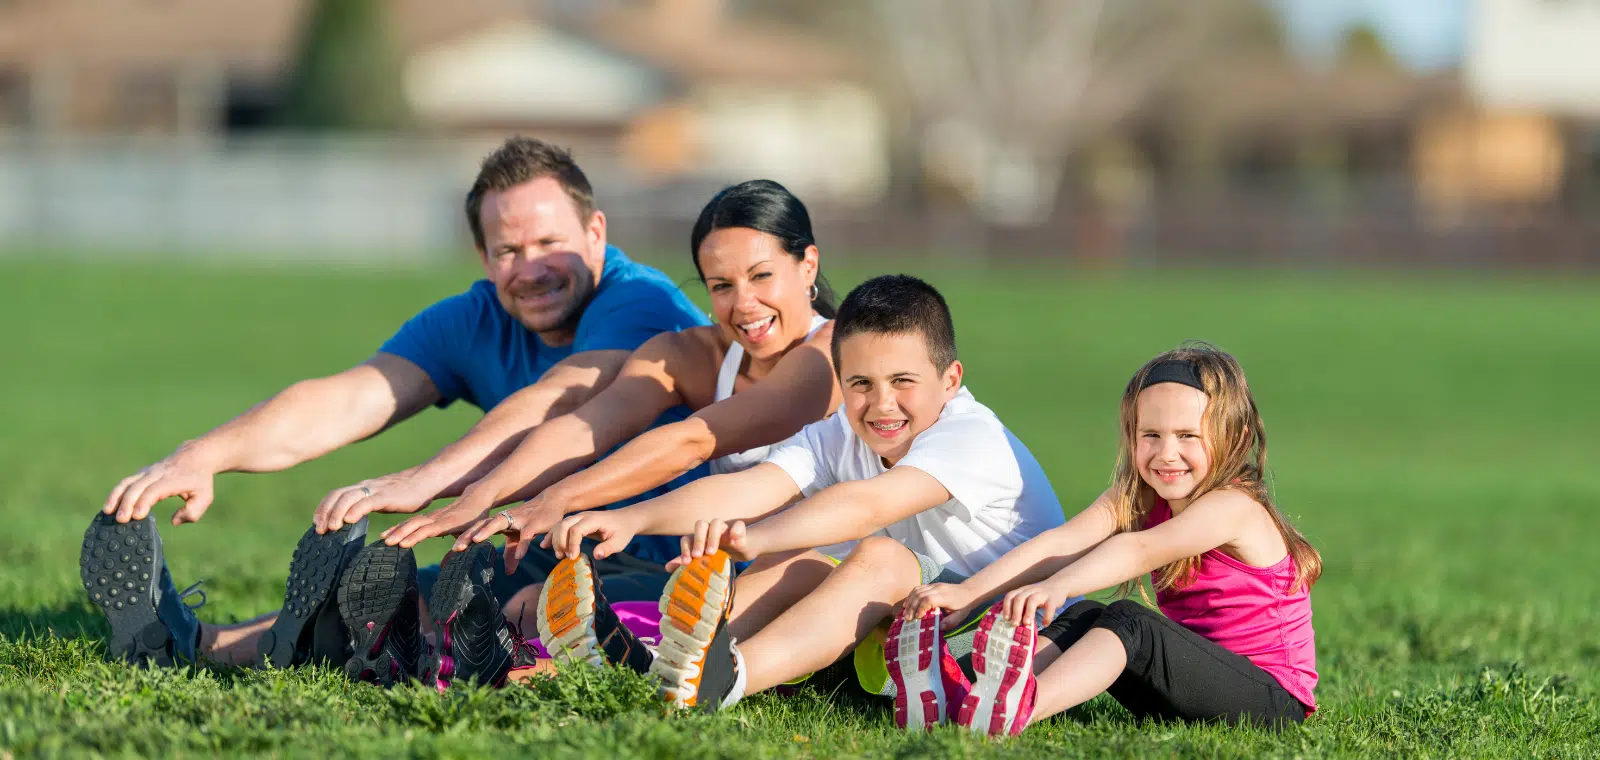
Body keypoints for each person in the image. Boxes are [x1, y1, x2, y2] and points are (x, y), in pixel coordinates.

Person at [81, 137, 708, 675]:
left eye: (549, 243)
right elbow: (349, 397)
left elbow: (560, 401)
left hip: (665, 551)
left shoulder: (642, 306)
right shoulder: (476, 318)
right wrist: (204, 455)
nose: (532, 269)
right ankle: (187, 644)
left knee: (502, 616)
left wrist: (424, 481)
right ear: (484, 257)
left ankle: (402, 642)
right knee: (390, 601)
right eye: (508, 251)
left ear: (596, 233)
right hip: (544, 542)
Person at [332, 179, 850, 689]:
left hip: (822, 581)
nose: (743, 305)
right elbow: (589, 427)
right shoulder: (692, 354)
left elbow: (694, 440)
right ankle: (429, 659)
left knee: (552, 617)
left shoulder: (835, 354)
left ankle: (485, 665)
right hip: (715, 574)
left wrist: (557, 499)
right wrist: (482, 496)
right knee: (531, 603)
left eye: (761, 276)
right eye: (721, 286)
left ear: (808, 265)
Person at [480, 274, 1068, 715]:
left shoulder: (970, 436)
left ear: (951, 379)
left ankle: (720, 680)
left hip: (996, 643)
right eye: (860, 383)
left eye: (902, 382)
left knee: (877, 556)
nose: (881, 403)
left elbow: (868, 505)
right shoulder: (844, 429)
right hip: (905, 635)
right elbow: (751, 486)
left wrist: (753, 535)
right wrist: (630, 518)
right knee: (805, 565)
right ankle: (655, 664)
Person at [900, 344, 1320, 734]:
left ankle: (1021, 706)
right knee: (1083, 614)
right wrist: (968, 594)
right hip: (1187, 682)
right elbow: (1059, 544)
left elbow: (1140, 549)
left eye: (1188, 436)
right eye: (1151, 435)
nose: (1166, 453)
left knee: (1130, 620)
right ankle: (973, 700)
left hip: (1270, 702)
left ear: (1237, 437)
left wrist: (1056, 585)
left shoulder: (1233, 507)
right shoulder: (1139, 496)